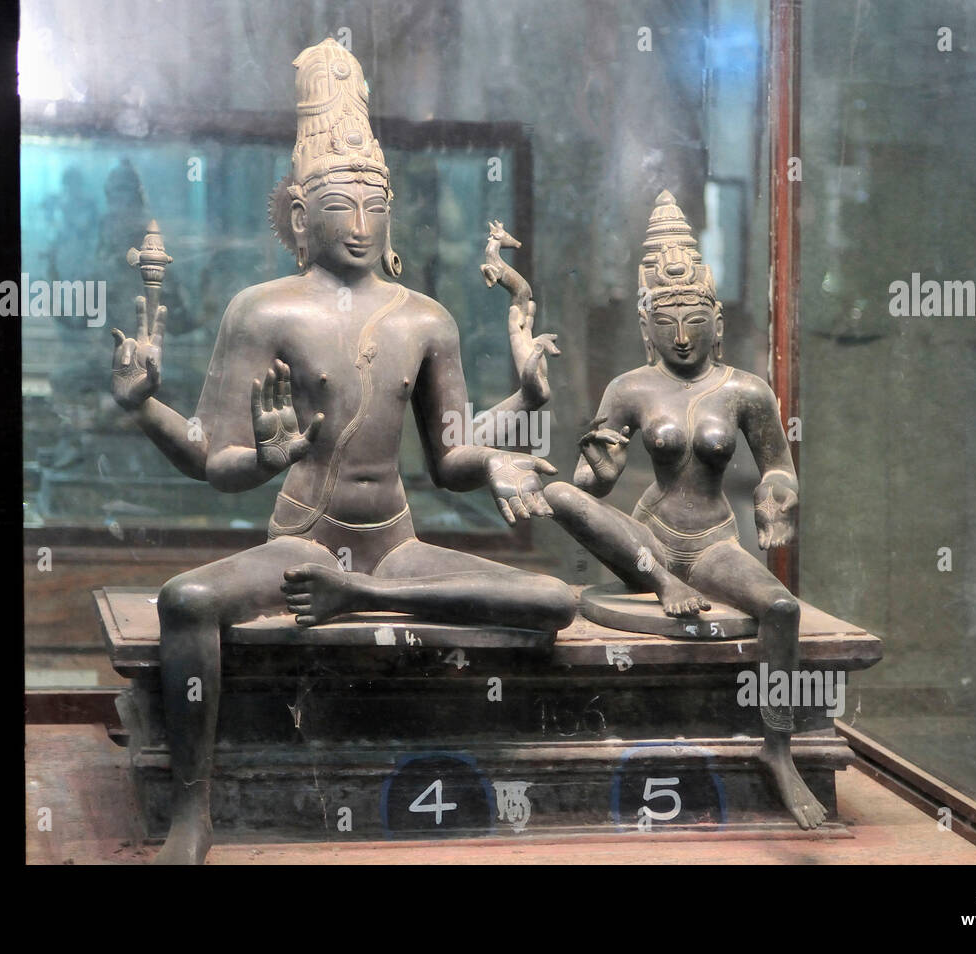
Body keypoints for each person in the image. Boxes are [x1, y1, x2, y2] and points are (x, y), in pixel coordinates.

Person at [108, 39, 574, 864]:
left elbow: (450, 460)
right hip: (297, 542)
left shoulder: (425, 319)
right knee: (185, 602)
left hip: (392, 548)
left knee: (554, 601)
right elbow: (214, 465)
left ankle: (353, 596)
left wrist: (518, 420)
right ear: (297, 215)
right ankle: (193, 805)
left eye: (374, 206)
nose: (359, 226)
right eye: (338, 206)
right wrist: (148, 408)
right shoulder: (263, 311)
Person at [543, 190, 825, 830]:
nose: (680, 333)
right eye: (665, 319)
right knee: (558, 493)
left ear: (717, 322)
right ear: (645, 326)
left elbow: (778, 464)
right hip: (648, 532)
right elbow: (590, 487)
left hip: (712, 542)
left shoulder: (746, 391)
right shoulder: (630, 388)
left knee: (780, 609)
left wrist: (777, 493)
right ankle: (659, 580)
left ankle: (777, 748)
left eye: (693, 318)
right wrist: (598, 469)